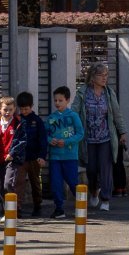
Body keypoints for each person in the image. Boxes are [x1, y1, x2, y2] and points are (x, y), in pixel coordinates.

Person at [72, 63, 127, 212]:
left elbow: (116, 113)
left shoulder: (108, 93)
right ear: (92, 77)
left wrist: (122, 132)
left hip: (105, 137)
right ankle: (94, 190)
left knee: (105, 169)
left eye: (106, 75)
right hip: (88, 138)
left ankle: (106, 199)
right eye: (101, 75)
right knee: (91, 169)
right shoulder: (83, 93)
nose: (104, 78)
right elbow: (74, 111)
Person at [46, 86, 85, 219]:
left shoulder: (73, 116)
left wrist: (67, 141)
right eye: (55, 100)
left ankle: (81, 204)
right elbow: (45, 134)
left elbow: (80, 133)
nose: (57, 103)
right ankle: (59, 208)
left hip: (70, 156)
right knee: (56, 183)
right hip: (55, 157)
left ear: (67, 100)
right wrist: (50, 140)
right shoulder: (51, 118)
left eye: (60, 100)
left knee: (73, 181)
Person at [9, 91, 48, 217]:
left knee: (35, 182)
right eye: (22, 109)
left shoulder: (37, 121)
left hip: (34, 158)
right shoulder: (17, 121)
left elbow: (43, 140)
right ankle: (17, 208)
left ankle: (37, 205)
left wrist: (42, 156)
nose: (24, 111)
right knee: (18, 182)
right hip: (20, 158)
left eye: (26, 109)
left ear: (31, 106)